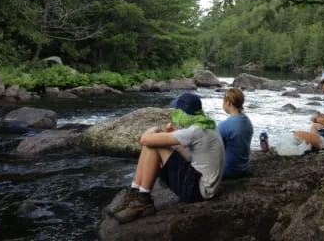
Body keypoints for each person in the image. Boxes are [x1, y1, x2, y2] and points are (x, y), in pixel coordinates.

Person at [107, 92, 225, 223]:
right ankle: (135, 192)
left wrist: (154, 129)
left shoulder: (194, 131)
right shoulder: (207, 125)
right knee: (154, 145)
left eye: (177, 110)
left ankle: (143, 200)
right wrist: (176, 143)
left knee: (153, 146)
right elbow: (190, 157)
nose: (174, 113)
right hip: (203, 184)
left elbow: (145, 140)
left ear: (183, 113)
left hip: (197, 190)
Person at [218, 88, 254, 179]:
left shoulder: (225, 125)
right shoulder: (248, 122)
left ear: (228, 102)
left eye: (223, 101)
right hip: (243, 168)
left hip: (228, 172)